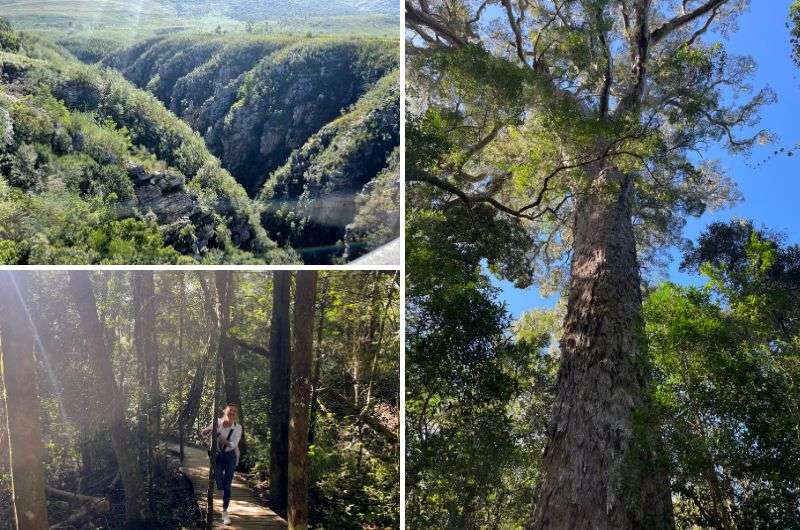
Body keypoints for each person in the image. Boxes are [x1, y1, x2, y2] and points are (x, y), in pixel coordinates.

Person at [201, 404, 242, 525]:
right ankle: (223, 488)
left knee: (227, 485)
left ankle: (225, 512)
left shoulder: (237, 427)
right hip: (217, 456)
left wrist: (219, 435)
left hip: (230, 456)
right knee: (219, 484)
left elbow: (233, 445)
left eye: (234, 411)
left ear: (236, 415)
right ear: (225, 411)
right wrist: (210, 429)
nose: (232, 413)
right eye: (230, 410)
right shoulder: (217, 421)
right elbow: (203, 433)